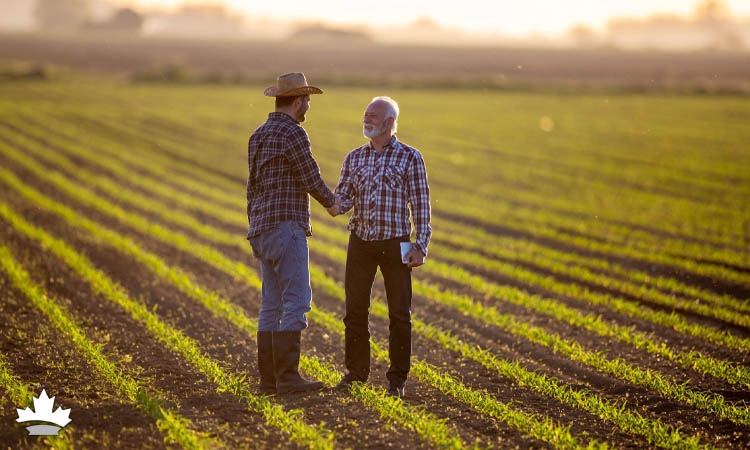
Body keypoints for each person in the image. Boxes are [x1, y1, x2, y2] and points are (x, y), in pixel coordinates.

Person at [246, 72, 340, 394]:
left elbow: (252, 187)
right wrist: (333, 204)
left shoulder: (257, 135)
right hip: (287, 227)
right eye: (307, 101)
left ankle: (268, 380)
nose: (308, 108)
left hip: (262, 228)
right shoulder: (293, 133)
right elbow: (310, 177)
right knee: (296, 301)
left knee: (270, 304)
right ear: (298, 100)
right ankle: (288, 377)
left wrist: (254, 231)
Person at [332, 96, 431, 398]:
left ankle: (397, 380)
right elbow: (343, 199)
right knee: (354, 311)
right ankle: (356, 373)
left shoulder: (410, 157)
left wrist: (420, 245)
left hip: (397, 243)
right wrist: (330, 202)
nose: (367, 119)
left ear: (390, 123)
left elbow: (421, 204)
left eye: (373, 116)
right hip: (360, 241)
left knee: (399, 314)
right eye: (365, 114)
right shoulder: (354, 158)